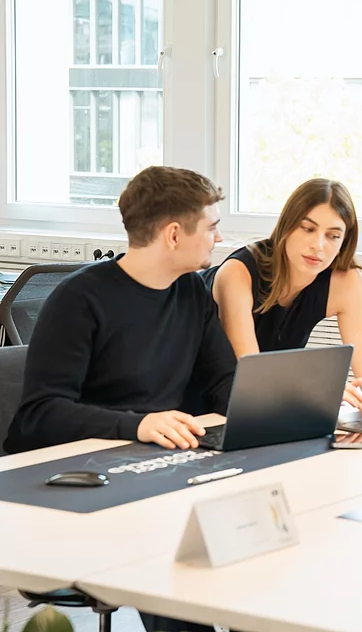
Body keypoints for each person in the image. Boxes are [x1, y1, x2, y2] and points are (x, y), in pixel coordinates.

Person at [3, 166, 237, 632]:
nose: (218, 236)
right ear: (174, 234)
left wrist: (283, 407)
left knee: (252, 549)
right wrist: (137, 424)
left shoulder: (191, 291)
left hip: (163, 466)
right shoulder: (79, 299)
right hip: (84, 482)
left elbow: (224, 383)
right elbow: (37, 417)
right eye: (211, 226)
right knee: (184, 564)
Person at [208, 178, 362, 409]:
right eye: (308, 229)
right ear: (287, 226)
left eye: (333, 235)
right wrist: (316, 388)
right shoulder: (238, 273)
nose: (318, 245)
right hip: (204, 397)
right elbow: (250, 371)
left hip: (269, 402)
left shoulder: (345, 281)